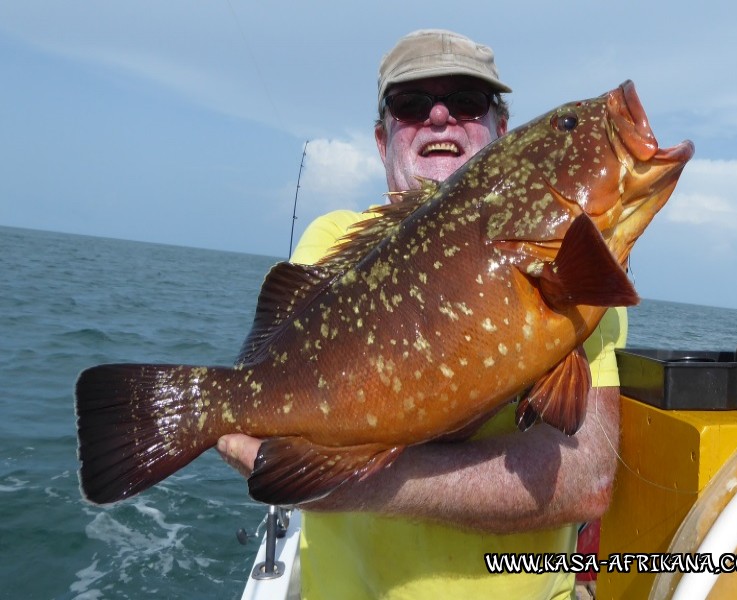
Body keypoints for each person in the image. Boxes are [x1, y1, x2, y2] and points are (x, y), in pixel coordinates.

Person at [217, 29, 626, 599]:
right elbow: (274, 409)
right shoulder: (334, 242)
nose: (439, 118)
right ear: (383, 141)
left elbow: (586, 479)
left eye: (466, 101)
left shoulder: (579, 262)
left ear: (501, 131)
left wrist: (355, 485)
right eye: (410, 105)